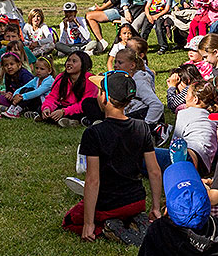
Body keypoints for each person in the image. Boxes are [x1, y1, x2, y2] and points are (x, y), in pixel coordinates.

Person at [68, 70, 163, 243]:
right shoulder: (141, 127)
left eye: (99, 91)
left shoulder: (93, 133)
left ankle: (109, 226)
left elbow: (92, 180)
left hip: (109, 204)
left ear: (104, 97)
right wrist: (155, 207)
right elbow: (155, 171)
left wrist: (88, 223)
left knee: (70, 219)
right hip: (136, 201)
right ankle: (134, 219)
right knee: (127, 211)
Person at [38, 50, 102, 127]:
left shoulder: (89, 79)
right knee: (42, 108)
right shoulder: (61, 77)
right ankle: (72, 121)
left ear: (83, 65)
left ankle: (78, 120)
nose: (69, 63)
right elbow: (53, 97)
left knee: (89, 105)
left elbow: (84, 103)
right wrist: (47, 108)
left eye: (74, 61)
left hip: (81, 108)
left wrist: (64, 111)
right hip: (66, 108)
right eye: (68, 60)